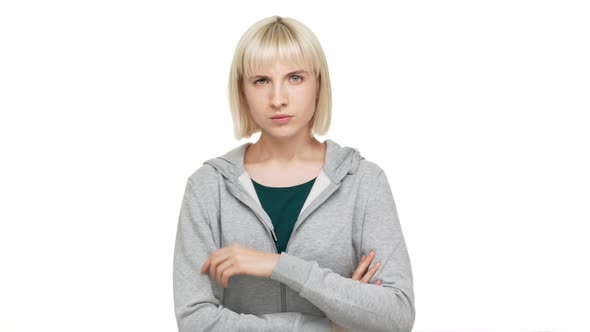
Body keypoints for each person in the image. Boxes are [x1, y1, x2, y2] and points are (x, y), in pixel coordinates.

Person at [173, 15, 415, 332]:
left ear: (318, 84)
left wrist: (278, 266)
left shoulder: (364, 182)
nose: (278, 99)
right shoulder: (207, 188)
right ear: (242, 90)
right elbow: (195, 321)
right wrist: (330, 324)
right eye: (261, 81)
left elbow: (396, 316)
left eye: (295, 78)